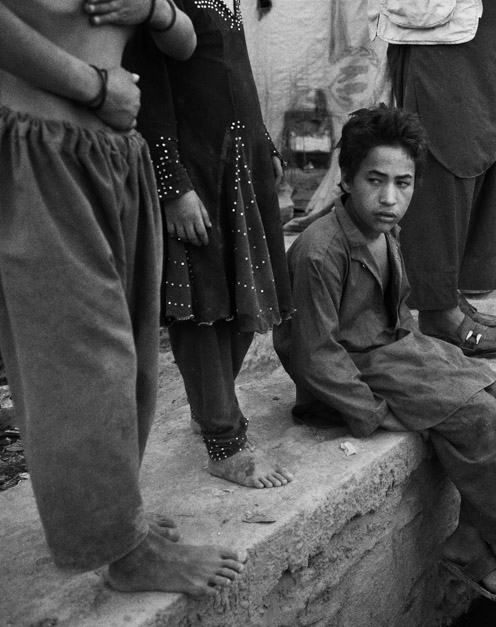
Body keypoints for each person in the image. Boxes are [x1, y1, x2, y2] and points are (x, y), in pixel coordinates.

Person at [273, 105, 496, 611]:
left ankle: (467, 539)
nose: (390, 197)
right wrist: (376, 413)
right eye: (375, 180)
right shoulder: (318, 252)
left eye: (404, 182)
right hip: (353, 371)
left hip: (394, 348)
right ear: (347, 179)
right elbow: (310, 354)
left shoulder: (382, 231)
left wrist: (427, 360)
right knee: (478, 418)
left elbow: (393, 316)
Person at [0, 0, 246, 595]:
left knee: (130, 358)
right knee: (84, 359)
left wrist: (158, 9)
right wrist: (94, 88)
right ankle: (125, 555)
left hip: (115, 157)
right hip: (38, 148)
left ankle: (117, 522)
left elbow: (190, 40)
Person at [122, 0, 294, 489]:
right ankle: (225, 442)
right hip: (194, 170)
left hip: (241, 164)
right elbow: (148, 90)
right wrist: (171, 185)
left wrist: (265, 142)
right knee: (200, 308)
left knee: (244, 303)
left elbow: (233, 70)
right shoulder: (158, 4)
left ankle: (209, 409)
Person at [387, 0, 496, 358]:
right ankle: (437, 310)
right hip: (444, 31)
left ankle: (448, 292)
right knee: (446, 157)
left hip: (490, 28)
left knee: (481, 151)